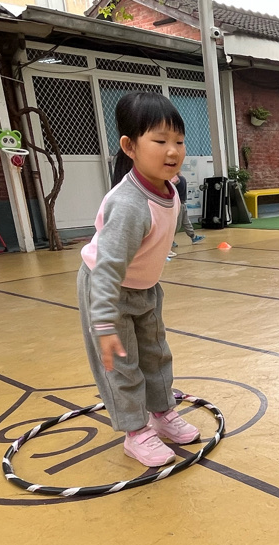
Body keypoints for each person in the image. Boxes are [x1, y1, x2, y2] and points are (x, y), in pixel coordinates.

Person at [79, 92, 200, 468]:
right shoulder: (129, 205)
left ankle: (162, 413)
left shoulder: (170, 188)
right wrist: (103, 324)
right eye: (160, 140)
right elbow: (107, 269)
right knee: (122, 363)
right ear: (130, 146)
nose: (173, 150)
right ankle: (135, 431)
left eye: (179, 141)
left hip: (146, 288)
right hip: (109, 291)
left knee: (156, 353)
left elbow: (168, 225)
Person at [174, 174, 205, 246]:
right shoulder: (174, 179)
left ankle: (193, 237)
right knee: (177, 224)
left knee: (186, 222)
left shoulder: (181, 178)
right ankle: (169, 240)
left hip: (182, 203)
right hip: (178, 204)